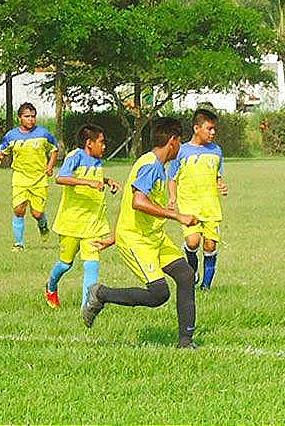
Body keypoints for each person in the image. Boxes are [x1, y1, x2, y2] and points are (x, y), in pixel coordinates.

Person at [82, 117, 200, 349]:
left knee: (185, 275)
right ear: (173, 141)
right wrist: (177, 216)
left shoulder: (156, 165)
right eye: (180, 141)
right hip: (137, 240)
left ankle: (185, 342)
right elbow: (138, 202)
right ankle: (101, 294)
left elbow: (128, 203)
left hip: (154, 237)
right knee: (159, 294)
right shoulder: (150, 165)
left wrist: (113, 236)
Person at [45, 125, 121, 310]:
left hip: (93, 223)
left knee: (92, 265)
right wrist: (89, 183)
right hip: (71, 223)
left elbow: (94, 178)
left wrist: (106, 181)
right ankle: (51, 286)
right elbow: (61, 178)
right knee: (65, 264)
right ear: (89, 143)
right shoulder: (75, 156)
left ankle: (86, 307)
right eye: (101, 142)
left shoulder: (97, 160)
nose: (104, 146)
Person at [167, 108, 228, 290]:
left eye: (214, 128)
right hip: (189, 207)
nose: (213, 132)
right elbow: (172, 177)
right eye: (209, 128)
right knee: (193, 241)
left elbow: (218, 176)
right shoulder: (182, 151)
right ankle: (192, 270)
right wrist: (172, 198)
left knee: (210, 246)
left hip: (211, 207)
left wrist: (221, 185)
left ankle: (206, 287)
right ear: (196, 128)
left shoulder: (216, 151)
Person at [0, 102, 58, 251]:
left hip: (39, 179)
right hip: (20, 178)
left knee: (37, 213)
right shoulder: (11, 136)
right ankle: (19, 244)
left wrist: (50, 166)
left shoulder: (43, 134)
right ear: (19, 118)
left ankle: (43, 225)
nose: (31, 119)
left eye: (33, 117)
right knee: (19, 210)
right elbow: (3, 150)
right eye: (27, 116)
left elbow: (54, 150)